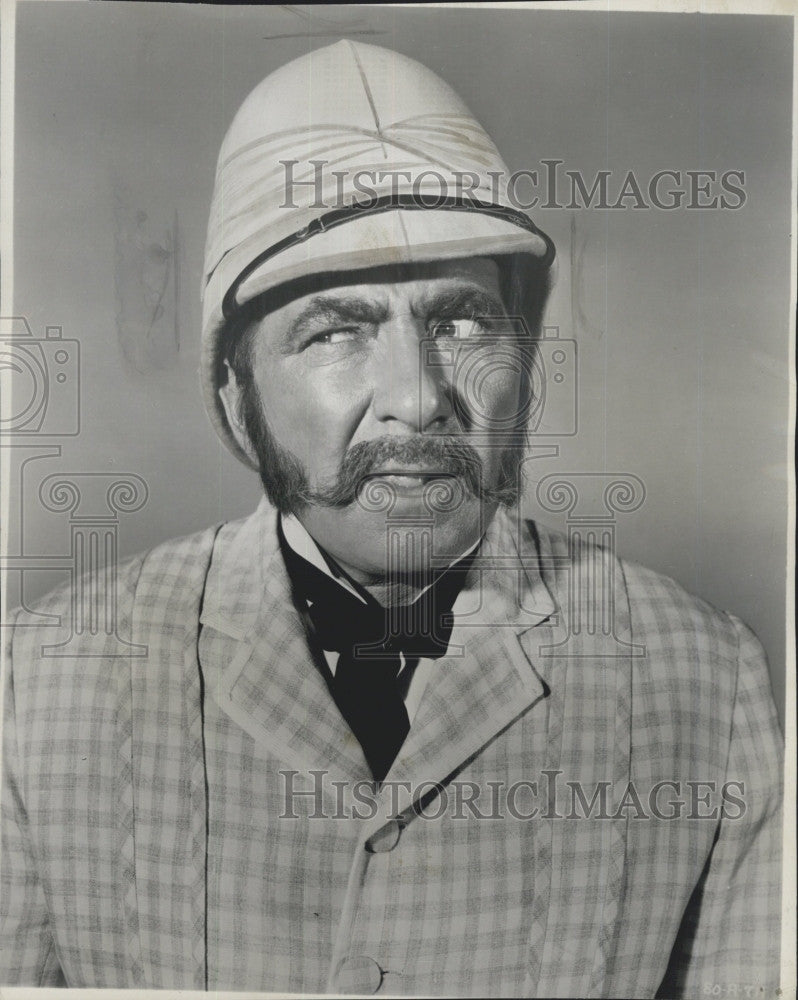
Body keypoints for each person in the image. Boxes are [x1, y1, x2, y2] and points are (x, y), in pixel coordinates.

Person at [0, 40, 783, 998]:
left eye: (462, 321)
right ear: (236, 398)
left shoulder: (703, 677)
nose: (417, 398)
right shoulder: (36, 690)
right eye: (335, 331)